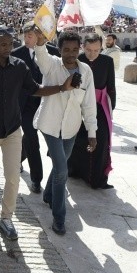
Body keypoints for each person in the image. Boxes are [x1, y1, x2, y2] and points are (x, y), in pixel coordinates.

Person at [0, 26, 50, 240]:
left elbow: (35, 89)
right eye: (3, 44)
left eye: (10, 43)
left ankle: (6, 218)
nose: (8, 48)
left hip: (13, 131)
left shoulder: (19, 66)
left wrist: (61, 87)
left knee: (13, 176)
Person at [33, 29, 97, 236]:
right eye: (66, 49)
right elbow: (41, 56)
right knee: (62, 171)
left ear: (80, 49)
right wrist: (40, 42)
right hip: (50, 125)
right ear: (59, 49)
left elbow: (88, 104)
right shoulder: (51, 64)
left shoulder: (86, 71)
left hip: (71, 128)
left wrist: (92, 132)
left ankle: (49, 194)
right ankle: (59, 218)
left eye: (74, 49)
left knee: (61, 165)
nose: (70, 53)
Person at [67, 33, 116, 189]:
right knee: (77, 140)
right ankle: (75, 171)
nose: (92, 54)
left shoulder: (107, 61)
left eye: (96, 50)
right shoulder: (78, 59)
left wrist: (110, 108)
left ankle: (97, 178)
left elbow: (111, 87)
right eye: (88, 50)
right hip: (77, 105)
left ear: (101, 48)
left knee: (100, 140)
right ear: (83, 47)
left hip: (99, 106)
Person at [11, 23, 46, 193]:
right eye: (25, 36)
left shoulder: (52, 52)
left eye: (30, 36)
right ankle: (36, 179)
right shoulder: (16, 55)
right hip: (25, 106)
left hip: (46, 105)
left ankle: (19, 158)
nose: (26, 39)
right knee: (32, 139)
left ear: (39, 36)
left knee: (32, 139)